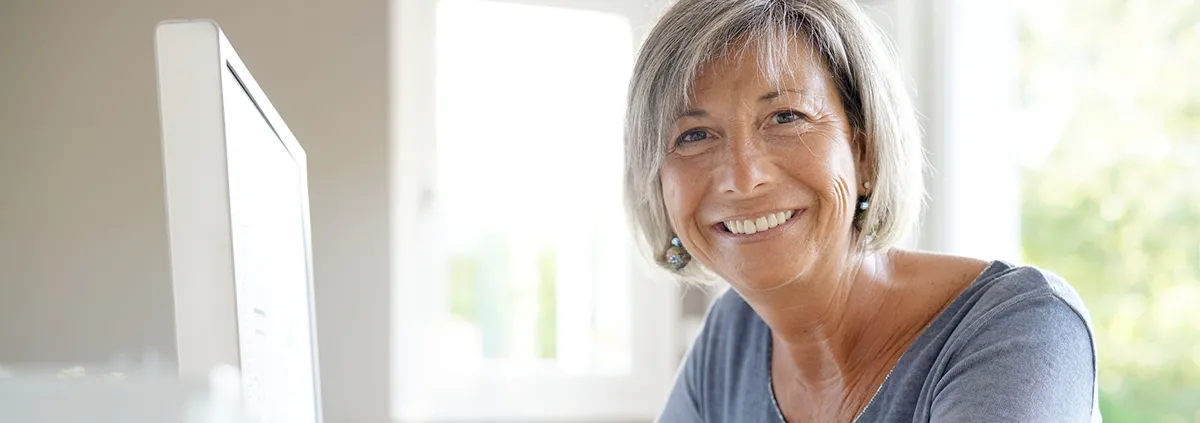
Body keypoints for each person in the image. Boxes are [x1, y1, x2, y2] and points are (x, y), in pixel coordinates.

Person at [622, 0, 1100, 422]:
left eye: (787, 117)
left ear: (864, 152)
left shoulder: (1020, 329)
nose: (743, 178)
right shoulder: (729, 341)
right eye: (694, 136)